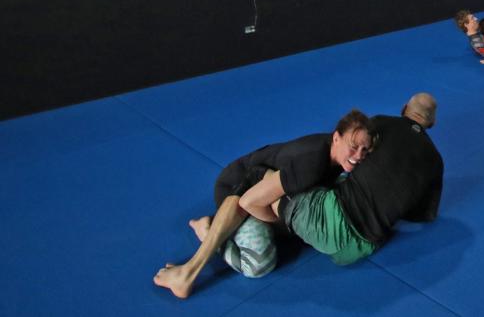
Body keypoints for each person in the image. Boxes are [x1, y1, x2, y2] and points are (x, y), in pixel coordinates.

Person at [153, 110, 375, 299]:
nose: (358, 155)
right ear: (336, 137)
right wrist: (286, 225)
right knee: (259, 264)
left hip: (266, 190)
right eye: (353, 146)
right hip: (238, 189)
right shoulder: (311, 163)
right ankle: (193, 262)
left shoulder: (339, 161)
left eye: (365, 150)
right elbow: (249, 199)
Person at [275, 93, 443, 266]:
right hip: (364, 246)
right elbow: (424, 215)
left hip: (332, 225)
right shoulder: (436, 161)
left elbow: (342, 154)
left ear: (404, 108)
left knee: (277, 185)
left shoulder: (381, 123)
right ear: (432, 122)